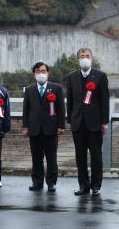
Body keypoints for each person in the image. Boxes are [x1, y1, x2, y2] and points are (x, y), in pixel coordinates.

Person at [66, 48, 110, 196]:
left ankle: (96, 186)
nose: (84, 58)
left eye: (87, 56)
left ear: (92, 58)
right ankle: (83, 186)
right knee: (80, 156)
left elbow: (105, 100)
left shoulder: (100, 76)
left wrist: (104, 121)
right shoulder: (71, 77)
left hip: (95, 123)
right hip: (78, 122)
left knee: (96, 155)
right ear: (78, 59)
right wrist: (70, 119)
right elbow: (70, 100)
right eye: (82, 56)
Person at [22, 62, 65, 193]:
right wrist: (25, 126)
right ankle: (37, 182)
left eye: (43, 71)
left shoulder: (56, 88)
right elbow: (26, 110)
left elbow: (61, 109)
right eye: (38, 71)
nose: (41, 73)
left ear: (48, 73)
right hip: (34, 129)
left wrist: (61, 126)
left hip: (50, 129)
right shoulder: (29, 89)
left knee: (51, 158)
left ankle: (51, 183)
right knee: (36, 158)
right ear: (34, 74)